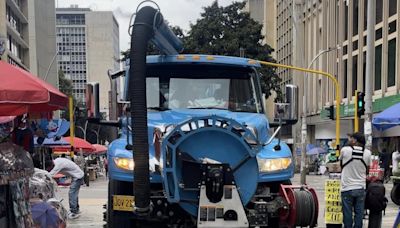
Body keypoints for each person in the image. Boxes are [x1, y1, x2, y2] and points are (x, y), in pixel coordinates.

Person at [339, 132, 371, 228]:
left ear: (355, 140)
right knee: (359, 214)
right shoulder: (368, 153)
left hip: (347, 188)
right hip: (360, 188)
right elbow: (367, 170)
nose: (349, 140)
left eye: (351, 138)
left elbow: (340, 164)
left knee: (347, 214)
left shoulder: (345, 150)